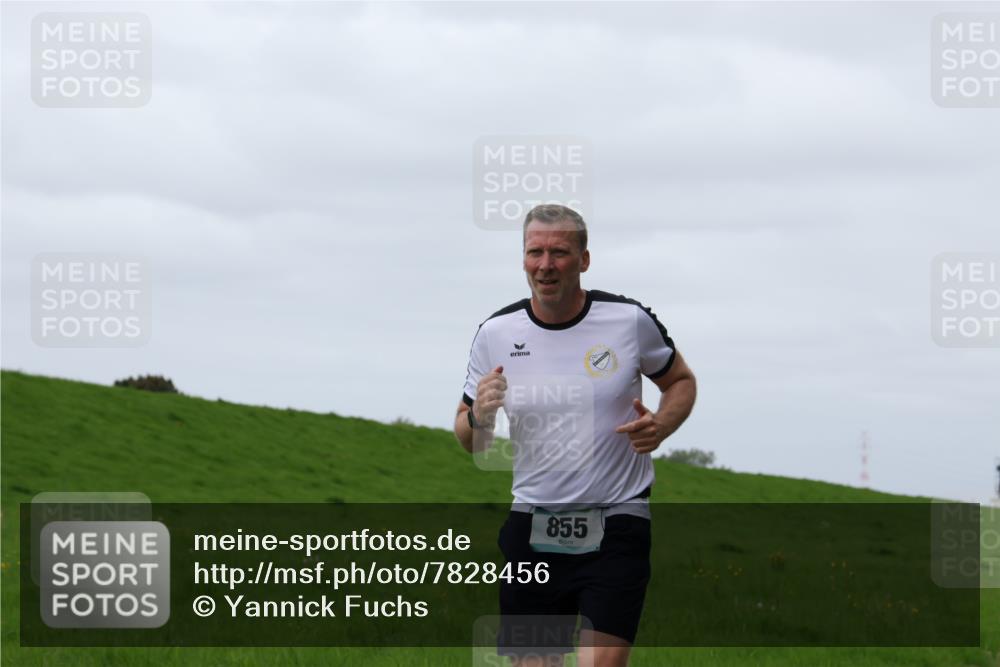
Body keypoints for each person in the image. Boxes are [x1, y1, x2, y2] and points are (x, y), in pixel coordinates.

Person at [454, 204, 697, 667]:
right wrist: (481, 416)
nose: (546, 265)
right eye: (535, 252)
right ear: (523, 258)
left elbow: (680, 381)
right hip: (533, 523)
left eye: (560, 252)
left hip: (616, 521)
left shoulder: (627, 320)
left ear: (584, 260)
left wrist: (663, 424)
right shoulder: (496, 332)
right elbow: (467, 436)